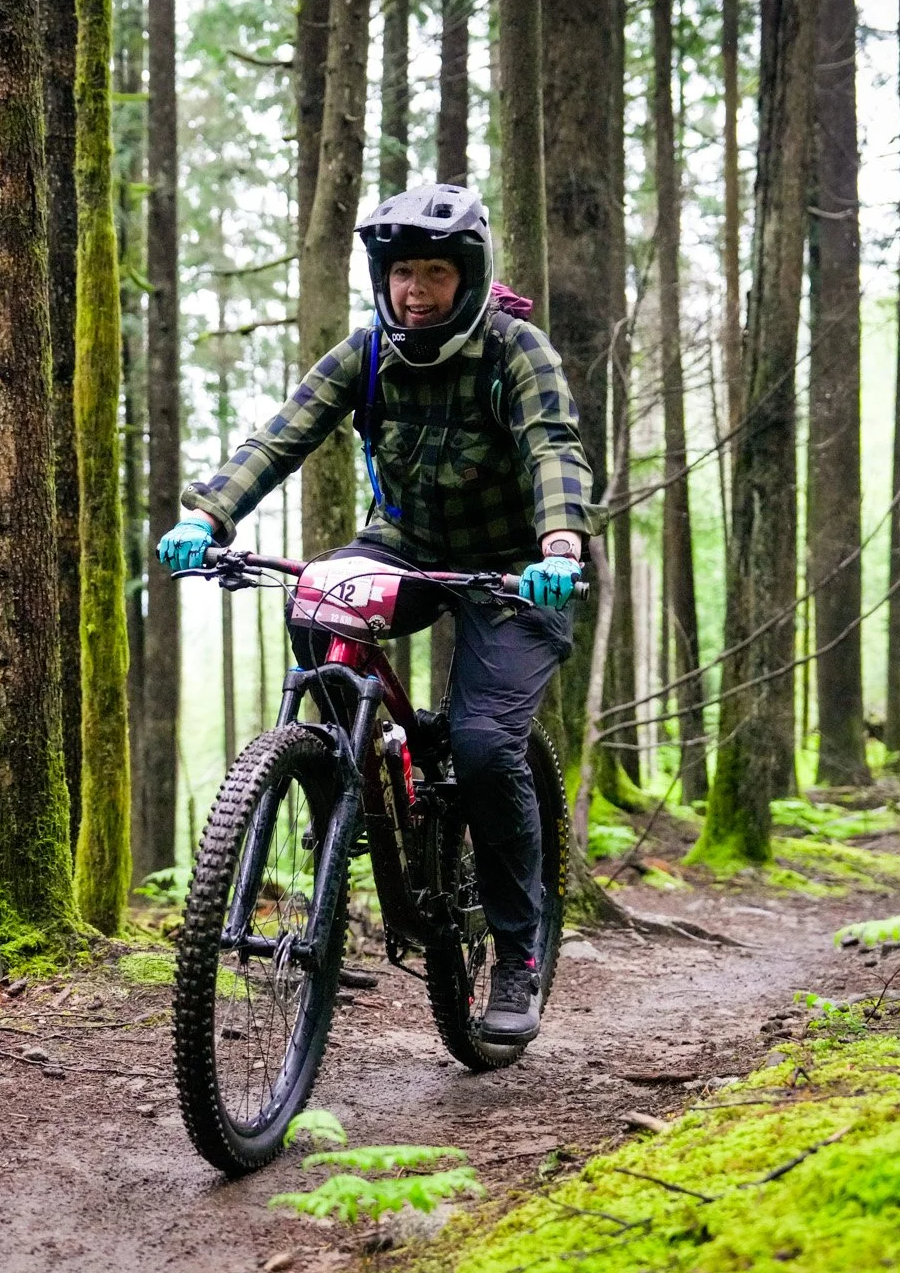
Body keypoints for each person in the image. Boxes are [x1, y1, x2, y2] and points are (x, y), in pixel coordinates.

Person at [155, 184, 595, 1045]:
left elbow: (554, 448)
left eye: (433, 271)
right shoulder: (363, 356)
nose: (415, 290)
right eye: (401, 273)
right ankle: (346, 777)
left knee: (481, 743)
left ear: (466, 276)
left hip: (517, 566)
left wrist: (559, 549)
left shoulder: (516, 351)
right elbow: (281, 436)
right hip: (406, 541)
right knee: (315, 599)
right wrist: (206, 514)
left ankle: (516, 951)